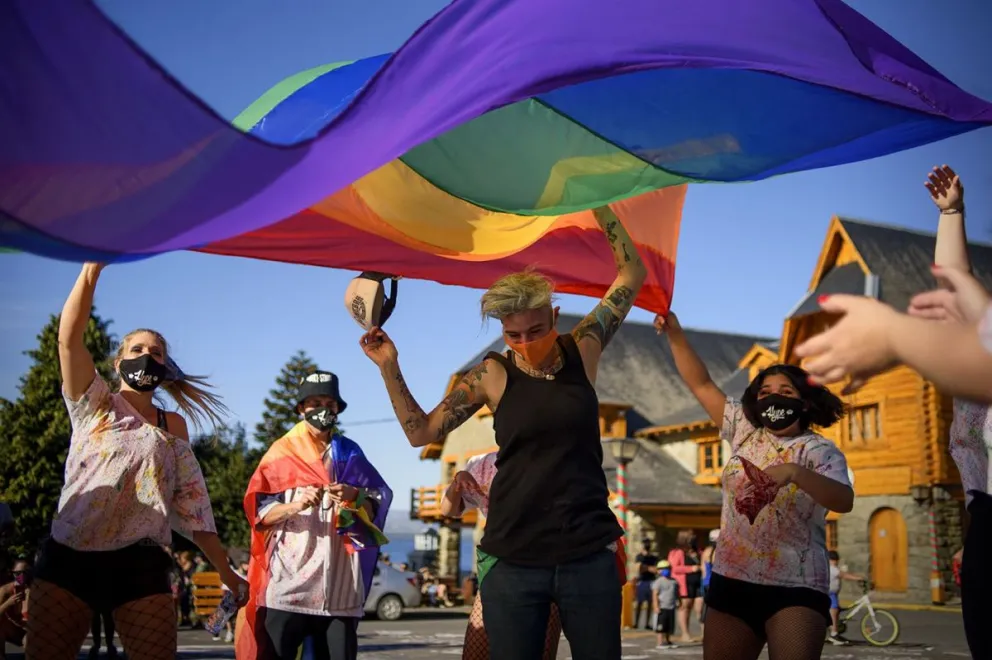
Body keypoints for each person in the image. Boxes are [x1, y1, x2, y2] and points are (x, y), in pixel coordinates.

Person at [361, 203, 648, 660]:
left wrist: (603, 204)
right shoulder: (490, 375)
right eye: (513, 335)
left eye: (536, 329)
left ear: (555, 317)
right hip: (514, 561)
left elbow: (631, 273)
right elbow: (422, 433)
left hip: (587, 552)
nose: (526, 343)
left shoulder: (584, 348)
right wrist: (389, 367)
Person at [27, 262, 248, 660]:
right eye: (137, 349)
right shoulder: (94, 404)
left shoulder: (172, 426)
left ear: (163, 369)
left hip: (140, 564)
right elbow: (68, 342)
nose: (146, 355)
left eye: (155, 352)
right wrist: (91, 271)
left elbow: (193, 507)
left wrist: (227, 572)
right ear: (118, 362)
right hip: (69, 557)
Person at [657, 311, 852, 660]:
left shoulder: (819, 449)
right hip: (732, 578)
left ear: (804, 402)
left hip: (797, 583)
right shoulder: (744, 431)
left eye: (785, 391)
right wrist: (675, 334)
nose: (773, 397)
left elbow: (844, 499)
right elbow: (701, 384)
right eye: (765, 391)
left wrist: (795, 472)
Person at [239, 370, 392, 660]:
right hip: (289, 586)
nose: (323, 409)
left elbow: (376, 502)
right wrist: (295, 505)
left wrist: (354, 496)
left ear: (337, 408)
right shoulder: (281, 452)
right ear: (301, 408)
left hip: (339, 588)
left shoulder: (350, 452)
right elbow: (259, 512)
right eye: (314, 402)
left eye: (329, 403)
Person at [440, 451, 562, 660]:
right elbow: (448, 509)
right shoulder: (484, 463)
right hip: (499, 562)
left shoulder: (552, 453)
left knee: (541, 651)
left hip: (545, 562)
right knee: (475, 650)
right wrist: (457, 482)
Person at [667, 530, 703, 643]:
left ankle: (704, 634)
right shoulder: (676, 552)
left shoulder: (699, 552)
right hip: (685, 584)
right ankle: (685, 634)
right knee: (685, 608)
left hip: (698, 583)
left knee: (700, 608)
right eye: (690, 537)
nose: (693, 539)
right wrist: (691, 569)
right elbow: (673, 568)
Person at [826, 550, 864, 646]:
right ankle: (834, 634)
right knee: (833, 609)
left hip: (831, 593)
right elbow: (844, 575)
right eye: (833, 560)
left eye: (836, 560)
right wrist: (859, 578)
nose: (835, 562)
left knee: (836, 611)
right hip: (829, 593)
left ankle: (834, 631)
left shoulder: (832, 567)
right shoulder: (831, 568)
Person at [0, 558, 31, 660]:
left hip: (30, 632)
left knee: (29, 640)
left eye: (25, 573)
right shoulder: (5, 591)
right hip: (11, 630)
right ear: (12, 573)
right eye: (17, 573)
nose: (21, 577)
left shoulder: (36, 592)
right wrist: (8, 604)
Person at [651, 560, 679, 650]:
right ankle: (660, 642)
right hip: (662, 607)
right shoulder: (658, 581)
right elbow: (655, 594)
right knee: (661, 627)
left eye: (667, 568)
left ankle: (668, 641)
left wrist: (679, 601)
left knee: (669, 627)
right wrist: (656, 606)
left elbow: (676, 593)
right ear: (658, 570)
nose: (665, 570)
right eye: (662, 569)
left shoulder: (674, 581)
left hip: (671, 607)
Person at [633, 539, 659, 630]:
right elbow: (638, 568)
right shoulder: (639, 556)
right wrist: (649, 568)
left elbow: (656, 570)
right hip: (641, 581)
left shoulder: (654, 557)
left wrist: (645, 567)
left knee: (650, 603)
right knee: (639, 602)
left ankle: (647, 623)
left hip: (651, 581)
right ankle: (636, 622)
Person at [699, 529, 718, 631]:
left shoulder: (706, 551)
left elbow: (703, 569)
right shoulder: (719, 552)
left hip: (706, 582)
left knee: (706, 609)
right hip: (716, 583)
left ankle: (704, 633)